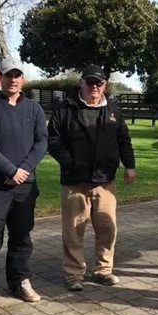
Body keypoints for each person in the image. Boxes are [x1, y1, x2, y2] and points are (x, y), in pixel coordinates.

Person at [48, 64, 136, 291]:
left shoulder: (114, 110)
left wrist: (130, 165)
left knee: (107, 229)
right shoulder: (64, 109)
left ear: (105, 85)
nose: (94, 86)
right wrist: (70, 162)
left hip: (105, 182)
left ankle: (103, 271)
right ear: (81, 83)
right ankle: (74, 275)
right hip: (74, 182)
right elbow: (54, 141)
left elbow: (123, 139)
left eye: (98, 83)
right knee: (74, 231)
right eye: (89, 82)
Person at [0, 57, 48, 315]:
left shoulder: (34, 110)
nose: (13, 79)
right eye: (8, 75)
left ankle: (19, 281)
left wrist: (22, 171)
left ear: (23, 79)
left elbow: (41, 143)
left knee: (21, 236)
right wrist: (9, 170)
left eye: (17, 75)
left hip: (25, 185)